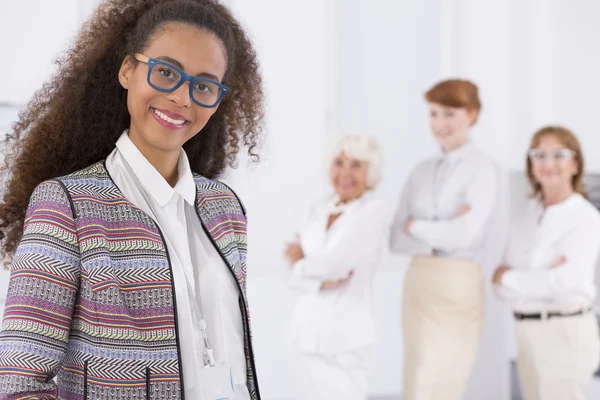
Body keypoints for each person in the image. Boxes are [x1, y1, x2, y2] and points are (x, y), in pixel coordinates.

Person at [0, 1, 264, 399]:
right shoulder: (68, 206)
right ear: (128, 71)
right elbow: (20, 382)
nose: (182, 97)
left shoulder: (224, 208)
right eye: (165, 72)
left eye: (204, 85)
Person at [389, 79, 505, 400]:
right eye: (434, 113)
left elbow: (465, 234)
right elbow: (396, 238)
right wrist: (439, 232)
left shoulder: (482, 168)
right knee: (415, 379)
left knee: (443, 382)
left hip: (458, 282)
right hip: (418, 282)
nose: (440, 123)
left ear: (472, 114)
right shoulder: (421, 171)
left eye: (450, 113)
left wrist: (417, 224)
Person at [493, 126, 600, 400]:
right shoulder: (528, 213)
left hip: (565, 334)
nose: (547, 163)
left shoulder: (585, 217)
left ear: (575, 164)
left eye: (558, 155)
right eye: (538, 155)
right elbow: (498, 285)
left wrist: (510, 277)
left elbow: (564, 282)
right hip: (526, 334)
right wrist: (535, 278)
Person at [284, 134, 387, 400]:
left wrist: (300, 263)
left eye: (356, 165)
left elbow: (334, 266)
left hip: (345, 340)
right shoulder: (317, 209)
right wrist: (311, 277)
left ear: (370, 172)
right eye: (339, 162)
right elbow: (289, 269)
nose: (345, 173)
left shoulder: (372, 212)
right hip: (305, 333)